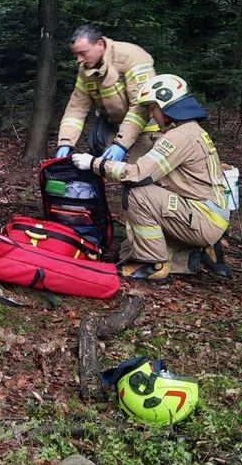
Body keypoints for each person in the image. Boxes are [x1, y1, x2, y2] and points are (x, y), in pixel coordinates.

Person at [71, 74, 232, 283]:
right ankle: (188, 257)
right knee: (125, 250)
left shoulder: (179, 137)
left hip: (203, 217)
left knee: (137, 193)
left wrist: (94, 164)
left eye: (152, 108)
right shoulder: (190, 131)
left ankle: (152, 264)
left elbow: (138, 174)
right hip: (205, 212)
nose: (151, 114)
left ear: (166, 107)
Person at [54, 25, 158, 163]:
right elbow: (76, 109)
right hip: (117, 130)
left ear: (100, 44)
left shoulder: (131, 57)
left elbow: (142, 106)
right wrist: (65, 142)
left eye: (83, 53)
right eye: (75, 54)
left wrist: (121, 144)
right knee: (109, 171)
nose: (79, 59)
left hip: (148, 129)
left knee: (137, 176)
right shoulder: (85, 70)